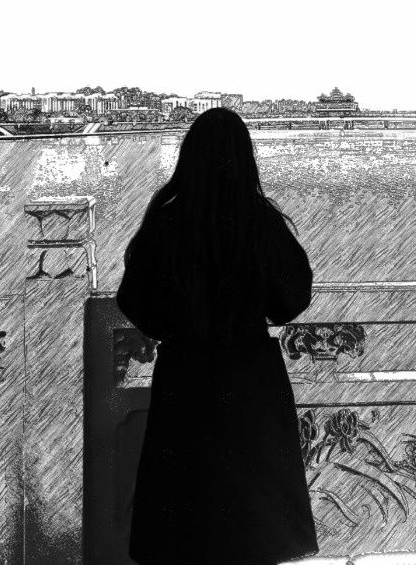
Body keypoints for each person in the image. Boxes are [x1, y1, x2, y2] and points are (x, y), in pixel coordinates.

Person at [116, 107, 319, 565]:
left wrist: (179, 323)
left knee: (186, 517)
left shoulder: (167, 223)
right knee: (252, 522)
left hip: (185, 378)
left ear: (189, 158)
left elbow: (136, 301)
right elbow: (291, 299)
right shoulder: (260, 222)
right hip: (249, 381)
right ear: (245, 159)